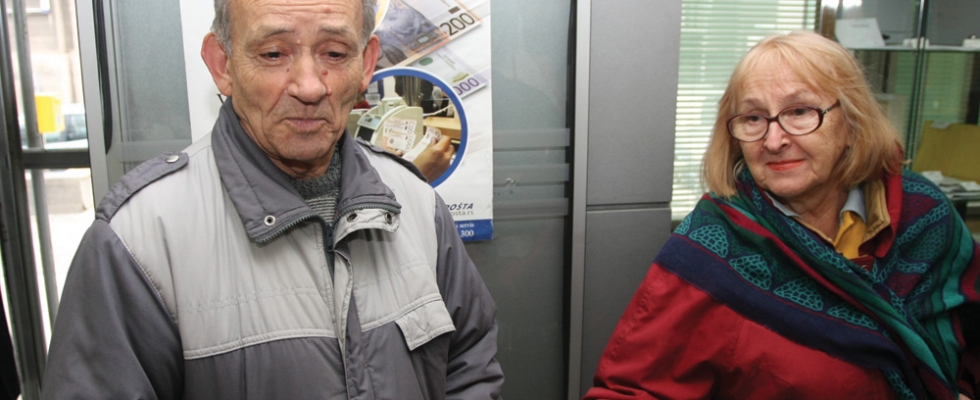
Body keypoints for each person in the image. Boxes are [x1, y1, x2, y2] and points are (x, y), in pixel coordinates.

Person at [41, 0, 503, 398]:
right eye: (274, 53)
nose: (310, 86)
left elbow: (471, 362)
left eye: (334, 53)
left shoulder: (416, 203)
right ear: (222, 65)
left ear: (366, 65)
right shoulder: (138, 241)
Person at [585, 31, 980, 400]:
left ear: (852, 122)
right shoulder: (710, 249)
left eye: (800, 111)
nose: (774, 141)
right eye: (753, 118)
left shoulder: (922, 213)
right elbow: (631, 391)